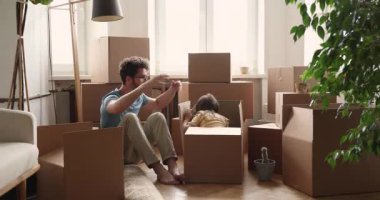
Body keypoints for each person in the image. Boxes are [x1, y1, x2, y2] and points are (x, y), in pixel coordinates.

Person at [100, 56, 184, 185]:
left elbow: (157, 104)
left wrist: (173, 89)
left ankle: (172, 166)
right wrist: (147, 84)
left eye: (146, 78)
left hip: (134, 153)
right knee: (130, 118)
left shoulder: (139, 97)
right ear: (128, 79)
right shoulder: (111, 97)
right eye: (142, 78)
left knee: (157, 116)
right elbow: (114, 108)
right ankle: (158, 169)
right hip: (116, 153)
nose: (145, 81)